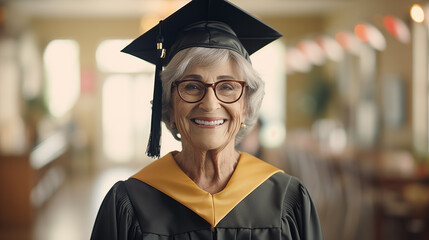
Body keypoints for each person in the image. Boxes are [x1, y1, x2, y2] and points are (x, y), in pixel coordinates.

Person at [91, 0, 323, 239]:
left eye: (227, 87)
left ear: (245, 106)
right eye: (191, 86)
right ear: (169, 106)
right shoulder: (130, 204)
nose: (210, 103)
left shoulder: (288, 199)